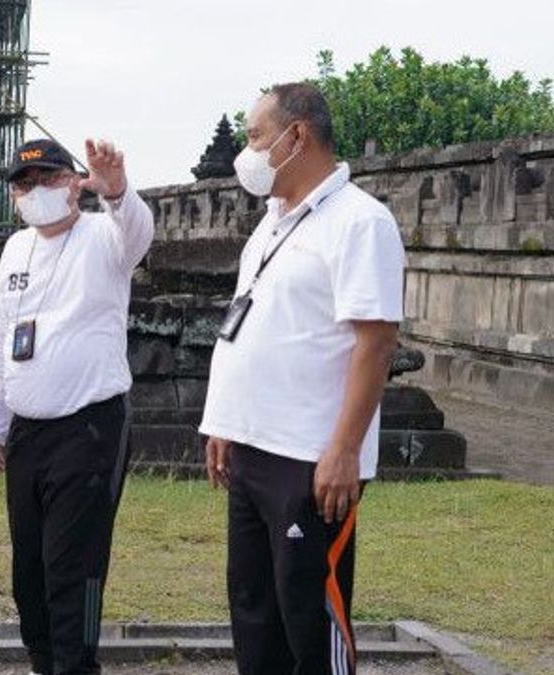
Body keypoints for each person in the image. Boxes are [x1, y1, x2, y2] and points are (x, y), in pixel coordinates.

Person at [200, 82, 405, 675]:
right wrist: (224, 424)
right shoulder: (270, 223)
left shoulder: (359, 221)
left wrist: (342, 450)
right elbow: (250, 328)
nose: (249, 152)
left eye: (257, 136)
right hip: (253, 449)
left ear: (298, 136)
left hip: (310, 459)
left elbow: (376, 342)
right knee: (254, 612)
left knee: (309, 619)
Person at [0, 138, 155, 675]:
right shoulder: (15, 249)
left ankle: (77, 666)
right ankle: (43, 662)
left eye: (48, 178)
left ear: (74, 182)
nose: (35, 192)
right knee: (28, 570)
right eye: (24, 184)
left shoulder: (103, 235)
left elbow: (139, 233)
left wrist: (117, 190)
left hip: (90, 426)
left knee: (71, 567)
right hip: (29, 427)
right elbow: (7, 336)